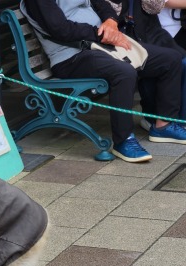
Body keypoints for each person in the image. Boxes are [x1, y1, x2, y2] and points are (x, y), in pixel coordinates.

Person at [21, 0, 186, 163]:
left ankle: (163, 125)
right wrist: (103, 34)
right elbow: (60, 29)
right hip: (71, 57)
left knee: (171, 59)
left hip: (101, 45)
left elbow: (101, 3)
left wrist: (110, 21)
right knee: (124, 72)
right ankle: (123, 141)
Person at [113, 0, 186, 128]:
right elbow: (155, 3)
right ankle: (155, 119)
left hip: (155, 29)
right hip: (134, 32)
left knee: (178, 60)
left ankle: (176, 120)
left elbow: (153, 5)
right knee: (166, 61)